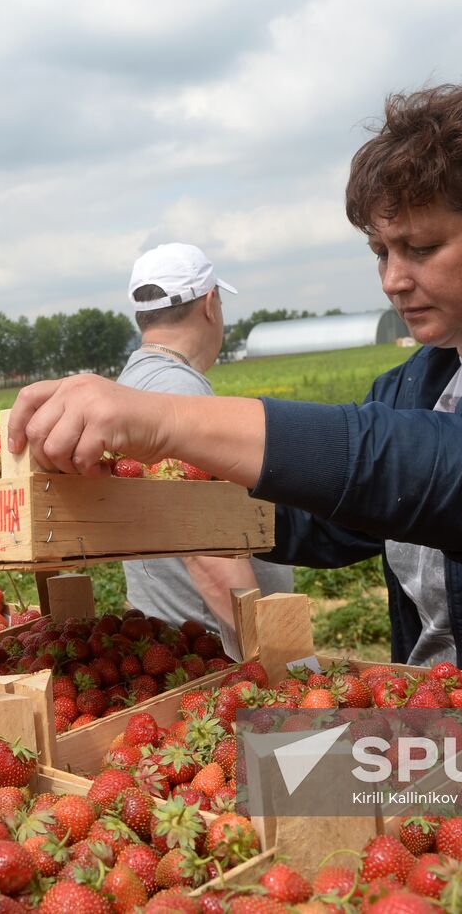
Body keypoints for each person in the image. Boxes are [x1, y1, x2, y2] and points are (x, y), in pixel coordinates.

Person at [9, 85, 462, 707]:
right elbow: (331, 516)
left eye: (422, 248)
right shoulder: (419, 380)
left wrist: (173, 419)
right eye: (381, 250)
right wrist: (134, 506)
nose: (393, 277)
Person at [116, 243, 294, 638]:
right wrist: (266, 650)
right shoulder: (180, 397)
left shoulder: (129, 385)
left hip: (167, 628)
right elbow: (208, 550)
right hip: (215, 642)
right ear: (211, 304)